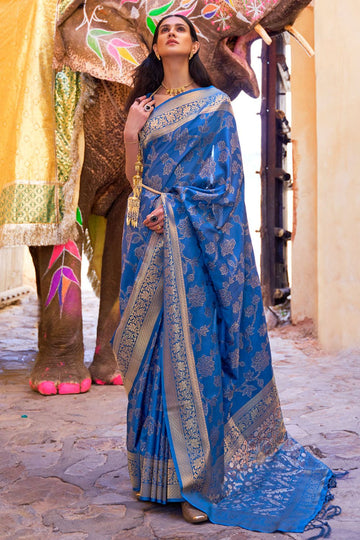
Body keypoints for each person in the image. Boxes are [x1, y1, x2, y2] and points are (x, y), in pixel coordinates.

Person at [112, 14, 339, 534]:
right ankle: (159, 478)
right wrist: (130, 134)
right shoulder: (143, 109)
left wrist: (178, 211)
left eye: (181, 29)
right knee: (153, 359)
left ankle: (201, 484)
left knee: (194, 354)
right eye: (163, 28)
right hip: (149, 244)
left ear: (195, 46)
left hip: (192, 247)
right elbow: (135, 178)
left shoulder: (214, 105)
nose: (171, 32)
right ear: (154, 45)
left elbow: (226, 185)